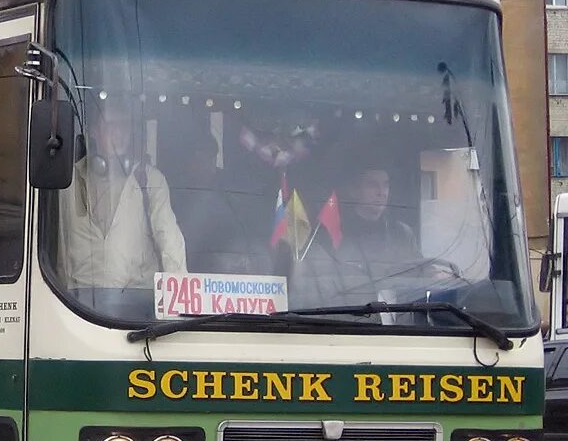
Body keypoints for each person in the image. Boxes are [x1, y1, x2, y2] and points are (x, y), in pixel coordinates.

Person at [57, 101, 187, 320]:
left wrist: (181, 303)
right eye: (111, 126)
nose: (119, 134)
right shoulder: (68, 182)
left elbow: (169, 239)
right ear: (95, 133)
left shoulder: (150, 180)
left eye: (124, 127)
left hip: (137, 308)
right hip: (77, 306)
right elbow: (59, 244)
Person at [292, 159, 427, 309]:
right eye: (372, 185)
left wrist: (435, 274)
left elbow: (419, 277)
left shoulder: (402, 234)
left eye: (385, 185)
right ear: (354, 191)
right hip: (346, 320)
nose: (381, 193)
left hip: (399, 322)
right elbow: (317, 292)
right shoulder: (331, 235)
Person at [164, 117, 274, 275]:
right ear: (190, 161)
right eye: (198, 159)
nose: (204, 165)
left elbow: (241, 228)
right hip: (188, 268)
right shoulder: (177, 191)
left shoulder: (229, 188)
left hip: (226, 268)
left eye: (209, 158)